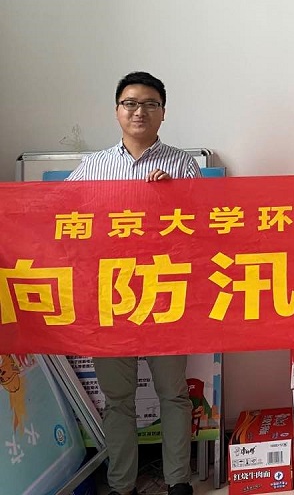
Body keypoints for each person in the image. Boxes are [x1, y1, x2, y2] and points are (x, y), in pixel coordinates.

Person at [67, 72, 198, 495]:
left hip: (165, 291)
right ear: (117, 110)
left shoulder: (182, 164)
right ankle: (121, 484)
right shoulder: (93, 166)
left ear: (163, 112)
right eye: (130, 103)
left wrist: (174, 195)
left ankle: (178, 481)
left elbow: (206, 225)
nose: (139, 111)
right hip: (111, 294)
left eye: (149, 104)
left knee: (173, 393)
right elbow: (59, 217)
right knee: (118, 398)